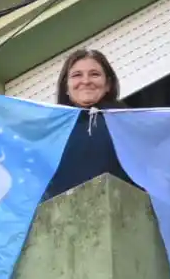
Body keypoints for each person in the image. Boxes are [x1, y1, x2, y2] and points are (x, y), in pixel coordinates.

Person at [43, 48, 135, 201]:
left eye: (95, 74)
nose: (86, 81)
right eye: (77, 75)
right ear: (66, 86)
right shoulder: (52, 131)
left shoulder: (129, 122)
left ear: (108, 84)